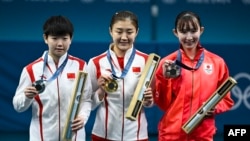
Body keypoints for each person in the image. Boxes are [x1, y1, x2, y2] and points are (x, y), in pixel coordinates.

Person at [154, 11, 234, 141]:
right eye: (183, 31)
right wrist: (164, 79)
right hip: (171, 135)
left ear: (201, 30)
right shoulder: (167, 63)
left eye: (193, 30)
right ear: (175, 33)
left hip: (203, 135)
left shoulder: (217, 63)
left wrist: (215, 107)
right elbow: (163, 103)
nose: (189, 36)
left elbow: (226, 99)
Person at [12, 15, 92, 141]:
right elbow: (17, 106)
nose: (60, 44)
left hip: (74, 136)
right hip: (42, 136)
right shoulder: (31, 69)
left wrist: (83, 117)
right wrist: (27, 97)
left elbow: (86, 99)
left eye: (65, 38)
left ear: (71, 39)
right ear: (45, 38)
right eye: (54, 38)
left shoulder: (81, 66)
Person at [87, 10, 154, 141]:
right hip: (103, 135)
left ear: (137, 32)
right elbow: (87, 103)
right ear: (110, 31)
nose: (124, 37)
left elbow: (151, 101)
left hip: (137, 135)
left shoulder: (147, 62)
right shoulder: (96, 62)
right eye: (119, 31)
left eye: (129, 32)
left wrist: (148, 100)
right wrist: (101, 92)